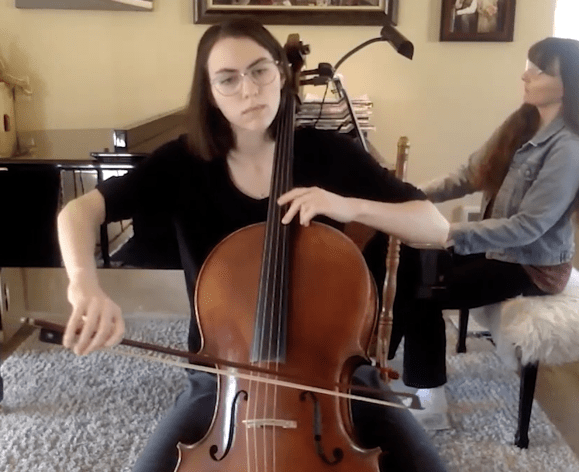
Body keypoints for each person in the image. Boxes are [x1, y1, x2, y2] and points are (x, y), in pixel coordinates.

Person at [57, 16, 449, 472]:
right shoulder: (183, 162)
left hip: (334, 375)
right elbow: (78, 212)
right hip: (224, 378)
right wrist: (83, 283)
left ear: (281, 74)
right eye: (228, 79)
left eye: (260, 70)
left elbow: (435, 227)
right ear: (209, 92)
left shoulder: (328, 153)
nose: (249, 90)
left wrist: (351, 207)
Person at [389, 37, 579, 428]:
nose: (526, 75)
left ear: (569, 84)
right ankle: (385, 363)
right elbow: (468, 174)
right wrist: (403, 196)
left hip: (533, 265)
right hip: (500, 250)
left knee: (425, 292)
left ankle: (430, 403)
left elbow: (530, 227)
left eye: (540, 70)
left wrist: (447, 232)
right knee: (409, 258)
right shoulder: (523, 121)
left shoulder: (569, 148)